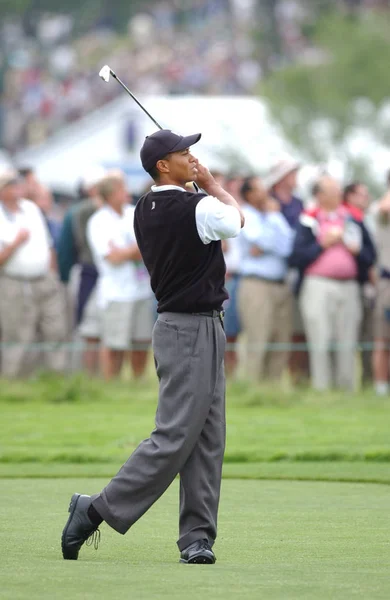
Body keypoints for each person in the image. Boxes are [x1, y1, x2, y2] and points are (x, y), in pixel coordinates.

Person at [61, 129, 244, 564]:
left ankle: (196, 538)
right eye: (184, 153)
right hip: (190, 330)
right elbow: (236, 222)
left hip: (190, 327)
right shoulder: (195, 205)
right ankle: (94, 509)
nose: (192, 158)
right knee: (177, 433)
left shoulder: (145, 206)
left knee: (207, 436)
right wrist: (214, 184)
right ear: (164, 165)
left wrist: (201, 188)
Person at [289, 175, 376, 391]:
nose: (339, 194)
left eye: (338, 190)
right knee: (320, 338)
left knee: (347, 339)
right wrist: (323, 245)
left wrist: (357, 251)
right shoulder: (308, 220)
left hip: (349, 286)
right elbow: (297, 256)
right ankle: (322, 389)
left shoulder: (353, 219)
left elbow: (370, 254)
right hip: (318, 285)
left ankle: (346, 389)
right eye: (333, 190)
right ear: (320, 195)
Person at [0, 167, 67, 377]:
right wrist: (15, 243)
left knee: (55, 330)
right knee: (17, 335)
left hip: (44, 279)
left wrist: (53, 275)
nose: (17, 187)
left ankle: (56, 379)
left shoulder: (31, 208)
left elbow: (48, 246)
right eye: (11, 184)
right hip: (13, 281)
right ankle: (14, 383)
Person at [87, 171, 154, 380]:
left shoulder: (135, 212)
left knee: (141, 342)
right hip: (116, 292)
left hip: (142, 289)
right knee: (114, 344)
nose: (126, 192)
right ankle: (111, 384)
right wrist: (135, 250)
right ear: (110, 194)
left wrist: (127, 251)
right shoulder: (98, 221)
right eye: (121, 189)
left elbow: (150, 246)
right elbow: (112, 257)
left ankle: (136, 383)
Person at [237, 176, 294, 381]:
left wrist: (272, 221)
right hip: (256, 284)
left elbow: (288, 246)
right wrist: (271, 224)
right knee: (258, 337)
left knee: (280, 339)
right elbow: (261, 242)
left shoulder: (272, 215)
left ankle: (272, 389)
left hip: (280, 284)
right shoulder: (246, 214)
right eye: (260, 189)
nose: (265, 192)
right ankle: (253, 387)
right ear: (249, 194)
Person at [264, 156, 309, 385]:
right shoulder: (267, 201)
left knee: (293, 330)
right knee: (269, 331)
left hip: (294, 273)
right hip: (271, 274)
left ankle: (296, 379)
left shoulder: (299, 203)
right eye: (291, 174)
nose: (295, 178)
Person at [57, 166, 106, 373]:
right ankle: (82, 374)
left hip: (97, 275)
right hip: (86, 273)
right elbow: (67, 250)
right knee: (84, 326)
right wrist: (64, 277)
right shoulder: (80, 212)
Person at [343, 181, 376, 387]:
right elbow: (363, 253)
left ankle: (368, 381)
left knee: (367, 335)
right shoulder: (348, 219)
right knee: (355, 334)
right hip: (355, 284)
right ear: (350, 196)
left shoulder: (362, 219)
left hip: (362, 284)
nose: (367, 198)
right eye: (362, 194)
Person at [370, 170, 390, 395]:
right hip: (387, 282)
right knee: (382, 337)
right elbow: (385, 207)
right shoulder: (382, 209)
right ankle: (381, 388)